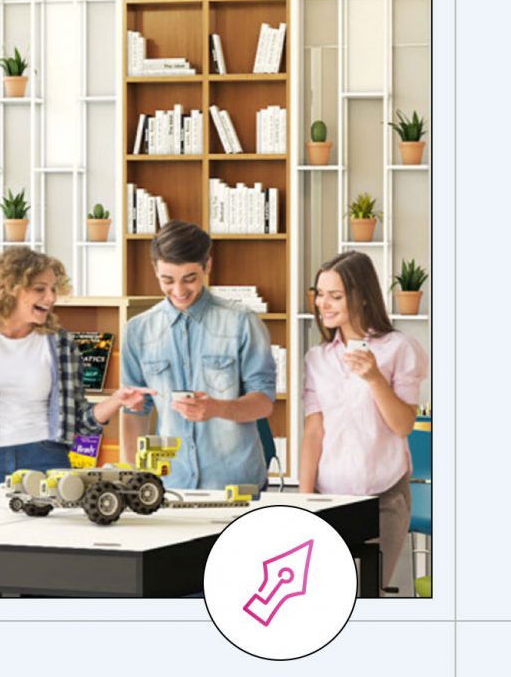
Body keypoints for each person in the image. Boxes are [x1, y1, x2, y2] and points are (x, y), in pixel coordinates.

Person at [0, 247, 150, 483]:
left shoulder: (61, 344)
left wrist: (117, 400)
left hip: (49, 459)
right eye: (39, 289)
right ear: (7, 290)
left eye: (54, 289)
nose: (51, 297)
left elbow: (81, 420)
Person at [299, 250, 428, 588]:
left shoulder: (399, 348)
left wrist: (374, 378)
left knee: (366, 596)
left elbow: (403, 425)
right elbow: (313, 432)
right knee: (324, 596)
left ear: (361, 297)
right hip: (328, 499)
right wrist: (303, 501)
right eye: (320, 295)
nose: (323, 304)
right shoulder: (316, 359)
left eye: (335, 296)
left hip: (383, 499)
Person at [121, 220, 276, 490]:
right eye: (167, 280)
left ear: (207, 266)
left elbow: (263, 403)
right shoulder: (137, 331)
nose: (179, 291)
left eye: (189, 279)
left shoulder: (242, 323)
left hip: (236, 486)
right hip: (169, 485)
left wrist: (217, 408)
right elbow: (134, 411)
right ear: (155, 270)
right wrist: (132, 481)